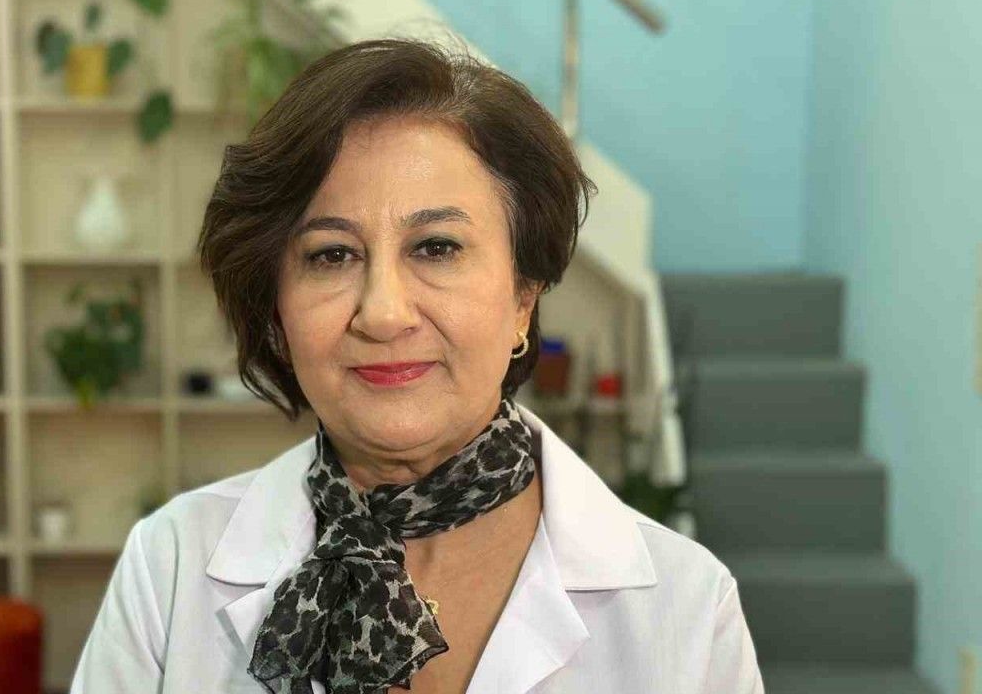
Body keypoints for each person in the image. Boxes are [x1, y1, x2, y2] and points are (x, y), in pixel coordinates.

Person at [70, 37, 764, 694]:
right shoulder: (172, 566)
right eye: (332, 255)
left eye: (436, 247)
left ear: (523, 297)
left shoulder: (686, 605)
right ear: (277, 310)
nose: (383, 313)